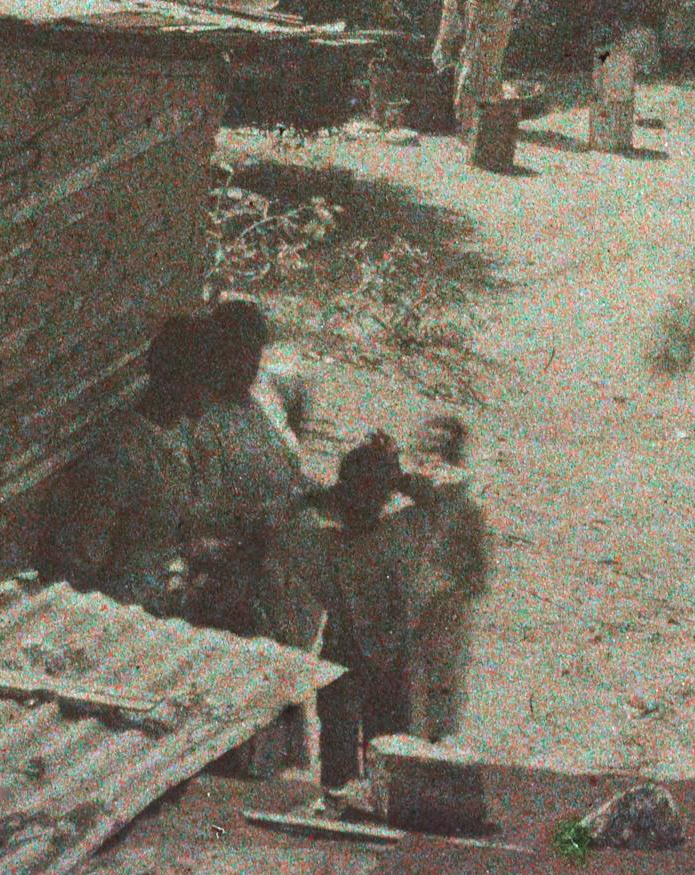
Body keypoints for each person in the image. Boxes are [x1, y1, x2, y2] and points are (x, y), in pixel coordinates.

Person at [174, 299, 328, 659]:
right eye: (236, 353)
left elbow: (289, 466)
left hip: (292, 574)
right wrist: (259, 522)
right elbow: (194, 516)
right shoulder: (202, 421)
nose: (248, 365)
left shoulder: (263, 400)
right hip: (244, 577)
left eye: (254, 352)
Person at [30, 313, 207, 610]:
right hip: (124, 610)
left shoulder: (181, 435)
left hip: (164, 597)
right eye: (205, 379)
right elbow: (81, 560)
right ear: (178, 379)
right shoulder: (122, 453)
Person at [312, 434, 431, 785]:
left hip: (387, 657)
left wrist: (397, 473)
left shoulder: (396, 531)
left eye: (372, 490)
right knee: (339, 756)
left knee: (388, 758)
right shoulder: (333, 532)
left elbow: (431, 498)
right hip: (347, 652)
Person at [404, 409, 494, 742]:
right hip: (404, 615)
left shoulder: (467, 511)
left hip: (445, 616)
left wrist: (445, 590)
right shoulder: (402, 506)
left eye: (442, 455)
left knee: (439, 701)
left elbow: (479, 575)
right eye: (427, 455)